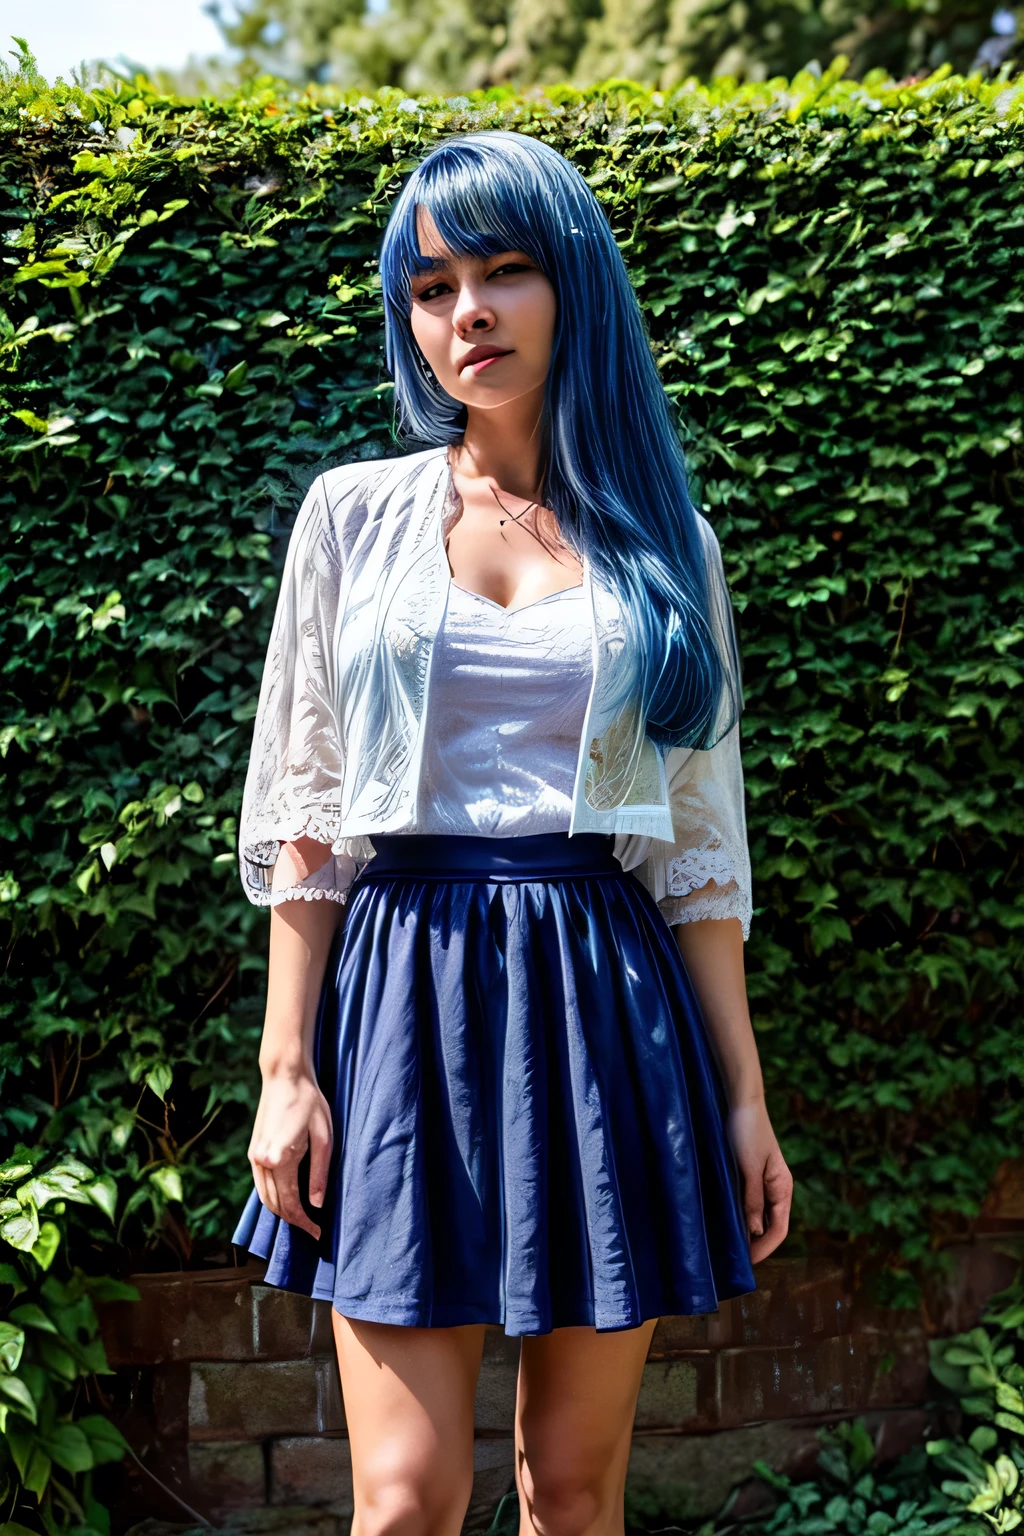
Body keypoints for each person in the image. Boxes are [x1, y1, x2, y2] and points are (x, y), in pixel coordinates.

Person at [230, 128, 793, 1536]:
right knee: (406, 1497)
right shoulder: (351, 519)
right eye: (428, 286)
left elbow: (697, 846)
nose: (464, 310)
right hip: (402, 995)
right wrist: (286, 1069)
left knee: (574, 1489)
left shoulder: (671, 547)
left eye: (504, 270)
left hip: (602, 1001)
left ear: (573, 288)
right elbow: (306, 810)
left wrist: (741, 1095)